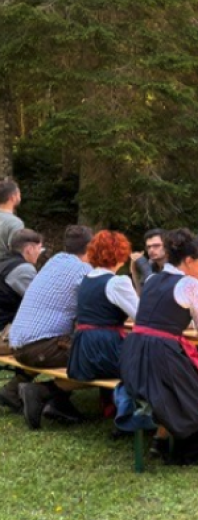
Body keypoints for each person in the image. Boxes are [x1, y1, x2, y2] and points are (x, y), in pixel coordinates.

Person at [120, 228, 198, 462]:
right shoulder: (189, 284)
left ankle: (161, 439)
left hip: (135, 356)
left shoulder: (153, 279)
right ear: (189, 261)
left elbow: (160, 317)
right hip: (162, 356)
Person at [10, 225, 93, 428]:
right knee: (97, 358)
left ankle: (12, 390)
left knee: (72, 343)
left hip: (17, 344)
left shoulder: (55, 261)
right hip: (38, 348)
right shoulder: (84, 271)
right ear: (90, 248)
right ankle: (41, 392)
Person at [67, 231, 139, 385]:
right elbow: (142, 316)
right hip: (105, 349)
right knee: (150, 361)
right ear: (120, 254)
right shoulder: (117, 282)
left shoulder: (87, 279)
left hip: (83, 349)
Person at [0, 229, 45, 412]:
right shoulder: (22, 270)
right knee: (49, 344)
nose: (40, 253)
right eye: (39, 249)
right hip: (2, 334)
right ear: (29, 249)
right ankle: (14, 390)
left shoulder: (4, 262)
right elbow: (42, 303)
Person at [131, 228, 166, 294]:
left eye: (156, 245)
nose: (151, 250)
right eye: (148, 247)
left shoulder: (176, 267)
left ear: (167, 246)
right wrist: (133, 270)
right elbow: (140, 296)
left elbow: (158, 293)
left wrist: (143, 264)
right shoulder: (151, 264)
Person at [0, 178, 24, 260]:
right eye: (19, 193)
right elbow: (16, 252)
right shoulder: (15, 223)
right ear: (13, 197)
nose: (20, 196)